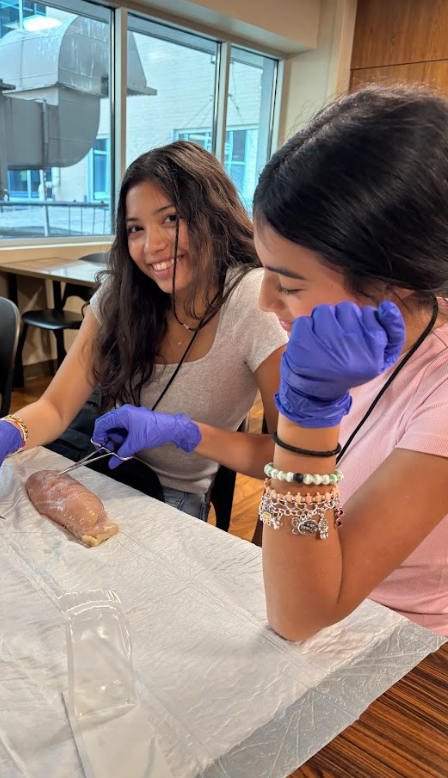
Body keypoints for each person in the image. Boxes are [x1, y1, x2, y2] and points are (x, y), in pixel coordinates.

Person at [93, 86, 448, 639]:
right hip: (308, 590)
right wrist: (183, 431)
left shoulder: (436, 391)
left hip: (401, 647)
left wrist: (310, 408)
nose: (265, 302)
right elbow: (291, 462)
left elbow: (300, 614)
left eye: (289, 283)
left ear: (388, 281)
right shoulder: (356, 336)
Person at [0, 141, 287, 520]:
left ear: (212, 213)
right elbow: (55, 405)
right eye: (136, 228)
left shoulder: (254, 300)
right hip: (100, 468)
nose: (153, 246)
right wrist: (2, 435)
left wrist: (185, 432)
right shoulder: (122, 293)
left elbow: (288, 458)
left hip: (172, 496)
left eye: (170, 218)